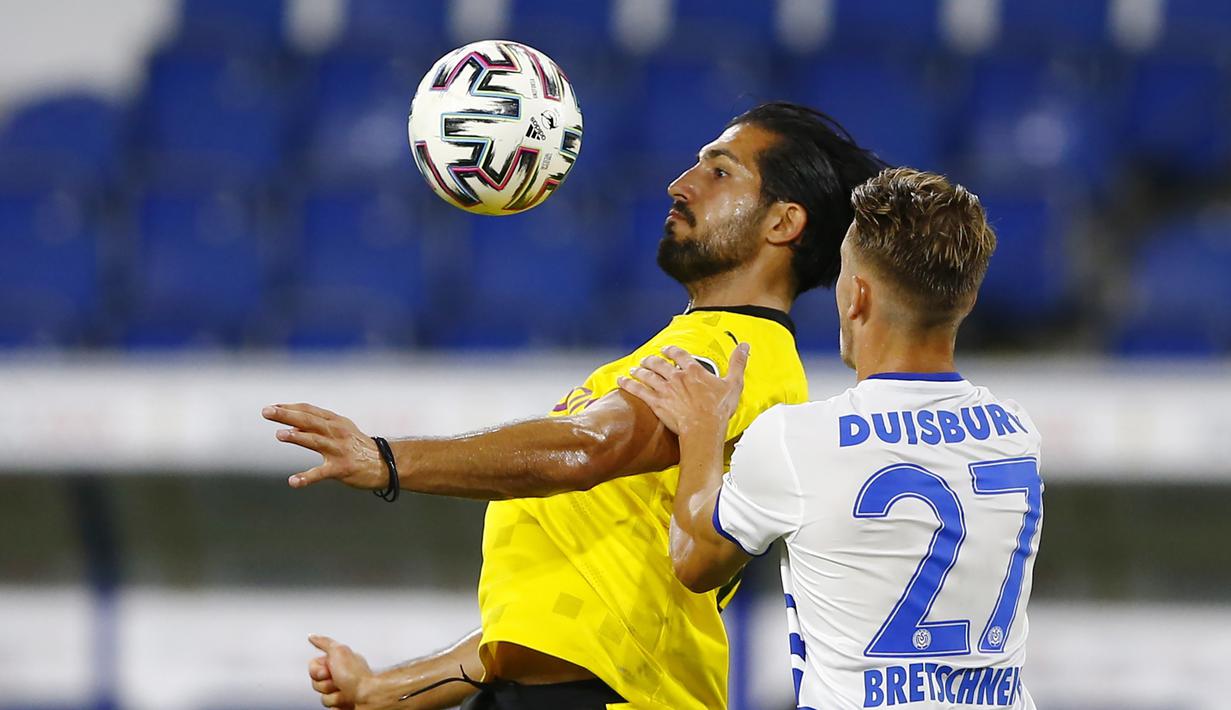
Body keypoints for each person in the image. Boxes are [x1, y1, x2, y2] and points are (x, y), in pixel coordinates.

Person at [263, 102, 883, 709]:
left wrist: (386, 459)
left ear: (782, 223)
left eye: (719, 170)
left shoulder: (734, 353)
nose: (680, 184)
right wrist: (384, 689)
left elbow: (587, 448)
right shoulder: (689, 346)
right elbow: (540, 636)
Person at [619, 167, 1042, 709]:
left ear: (856, 296)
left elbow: (694, 559)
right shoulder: (1016, 434)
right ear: (968, 299)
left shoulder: (799, 441)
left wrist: (704, 430)